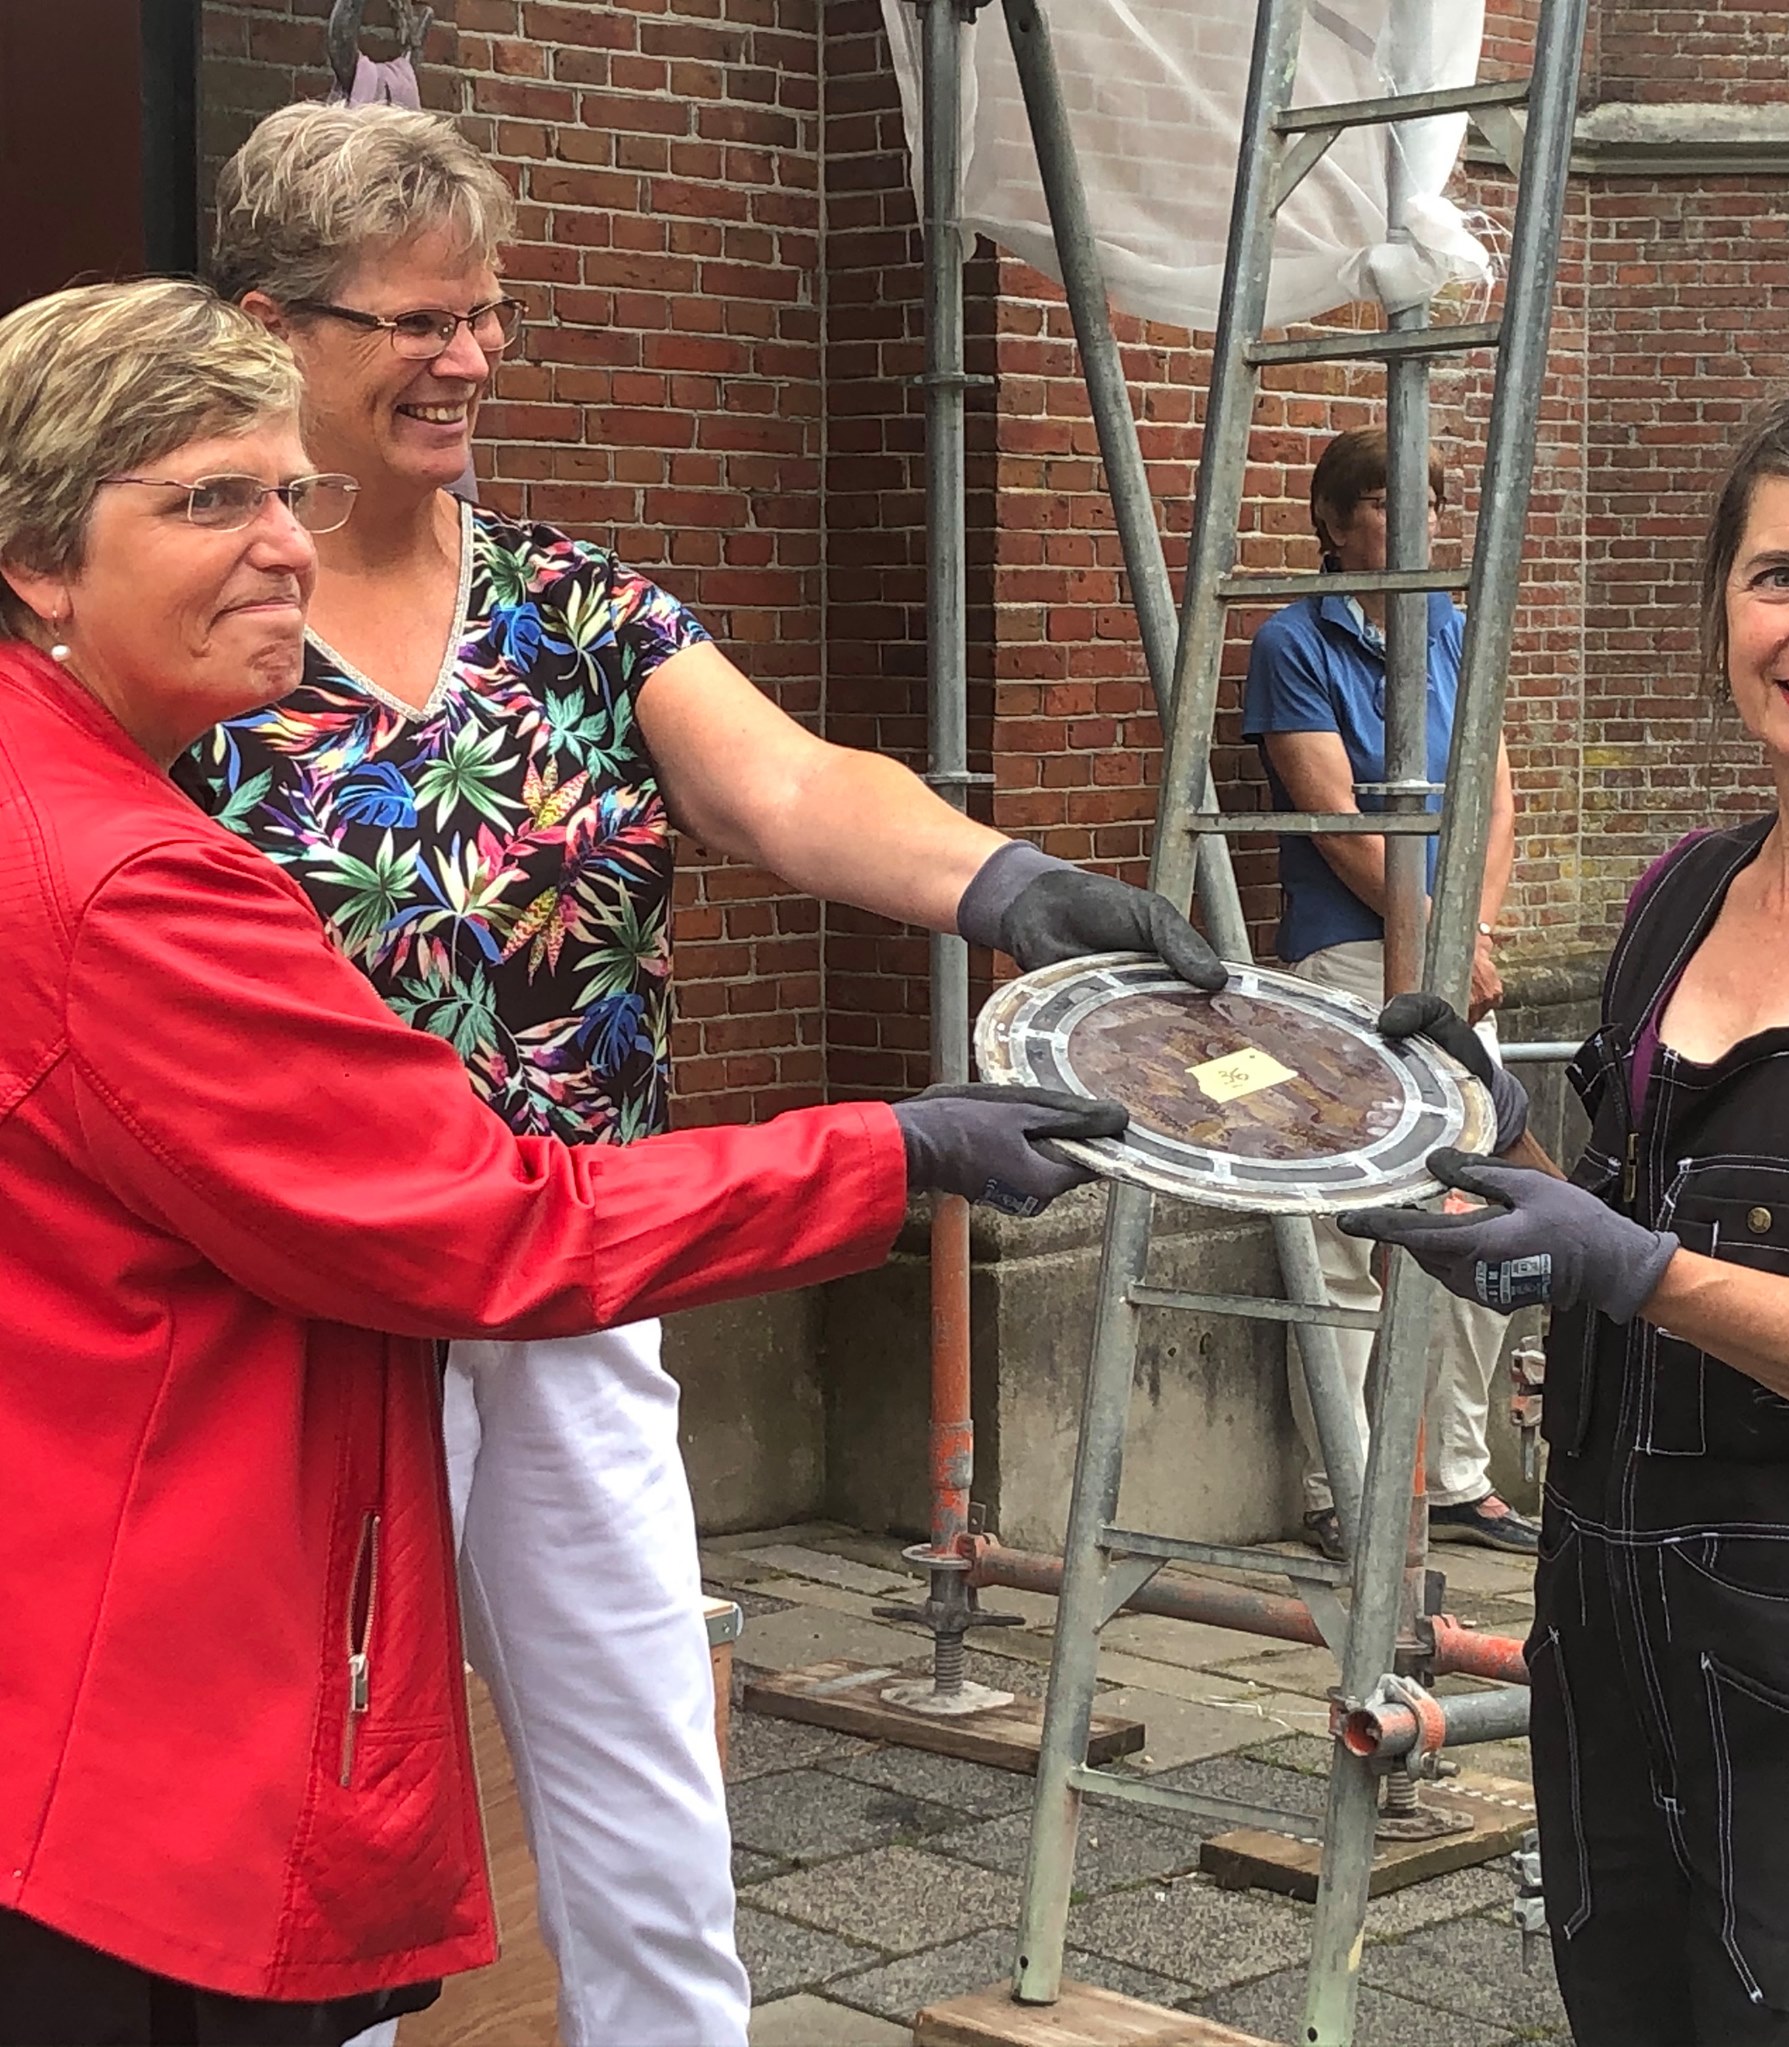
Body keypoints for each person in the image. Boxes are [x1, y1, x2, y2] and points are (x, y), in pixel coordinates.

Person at [180, 102, 1225, 2047]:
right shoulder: (201, 634)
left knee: (644, 1788)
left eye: (484, 315)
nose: (470, 357)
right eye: (417, 322)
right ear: (272, 328)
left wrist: (1020, 888)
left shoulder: (572, 608)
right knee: (311, 1826)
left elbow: (798, 785)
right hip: (299, 1318)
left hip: (575, 1277)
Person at [1349, 384, 1789, 2045]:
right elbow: (1619, 1237)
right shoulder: (1680, 892)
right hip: (1615, 1657)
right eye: (1775, 576)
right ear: (1719, 610)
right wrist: (1485, 1144)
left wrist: (1638, 1268)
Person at [1240, 426, 1532, 1559]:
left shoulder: (1453, 628)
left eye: (1426, 501)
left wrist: (1475, 929)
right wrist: (1433, 936)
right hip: (1350, 962)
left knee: (1477, 1207)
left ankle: (1454, 1474)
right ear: (1329, 521)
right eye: (1381, 503)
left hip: (1460, 952)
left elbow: (1495, 797)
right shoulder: (1291, 642)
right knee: (1345, 1227)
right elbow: (1335, 823)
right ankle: (1342, 1487)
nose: (1410, 524)